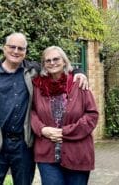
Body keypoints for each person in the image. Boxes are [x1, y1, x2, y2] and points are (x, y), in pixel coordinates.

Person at [0, 33, 88, 185]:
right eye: (12, 47)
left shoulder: (33, 71)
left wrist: (79, 73)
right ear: (4, 49)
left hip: (24, 145)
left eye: (20, 48)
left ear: (25, 52)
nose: (16, 51)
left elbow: (56, 67)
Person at [30, 46, 98, 185]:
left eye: (56, 59)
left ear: (64, 61)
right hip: (47, 155)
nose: (52, 63)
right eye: (47, 60)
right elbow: (30, 112)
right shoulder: (37, 86)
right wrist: (42, 129)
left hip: (77, 153)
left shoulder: (78, 83)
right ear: (43, 65)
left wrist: (65, 132)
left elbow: (92, 115)